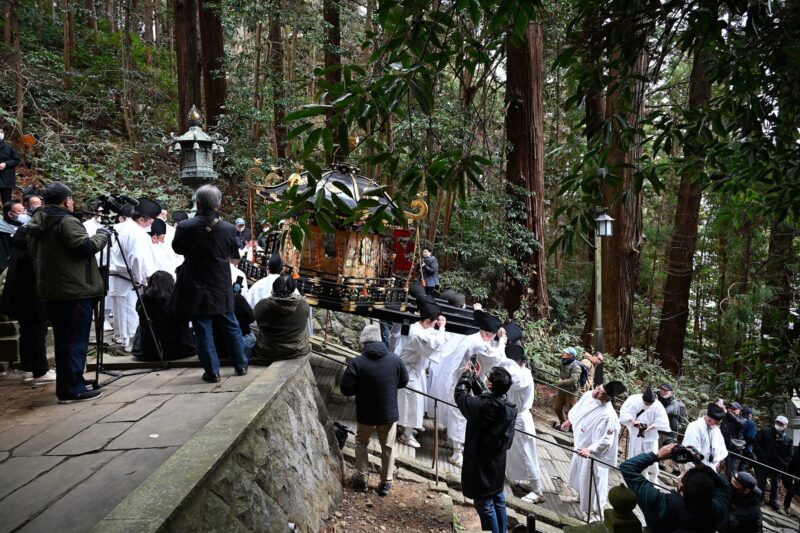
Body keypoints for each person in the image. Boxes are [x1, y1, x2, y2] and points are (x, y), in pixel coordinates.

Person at [27, 182, 109, 402]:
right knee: (74, 342)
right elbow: (85, 248)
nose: (72, 202)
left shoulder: (37, 222)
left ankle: (71, 383)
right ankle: (72, 389)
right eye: (71, 199)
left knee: (66, 341)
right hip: (74, 290)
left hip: (52, 289)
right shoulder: (66, 221)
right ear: (66, 201)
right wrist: (103, 234)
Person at [172, 185, 248, 382]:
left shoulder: (185, 226)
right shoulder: (228, 228)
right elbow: (234, 252)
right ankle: (240, 365)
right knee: (231, 325)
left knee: (202, 329)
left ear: (197, 203)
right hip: (220, 283)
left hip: (195, 283)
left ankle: (212, 371)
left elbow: (177, 250)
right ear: (218, 204)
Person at [340, 324, 409, 497]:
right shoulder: (395, 360)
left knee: (361, 443)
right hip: (389, 413)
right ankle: (386, 482)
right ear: (379, 340)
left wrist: (361, 388)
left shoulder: (357, 363)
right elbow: (404, 381)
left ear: (364, 343)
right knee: (388, 447)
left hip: (366, 413)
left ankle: (362, 478)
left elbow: (346, 389)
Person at [455, 363, 517, 533]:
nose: (486, 378)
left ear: (490, 384)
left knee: (485, 505)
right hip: (496, 461)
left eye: (488, 377)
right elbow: (486, 397)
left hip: (480, 461)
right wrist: (475, 378)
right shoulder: (508, 406)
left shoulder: (484, 406)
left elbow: (460, 396)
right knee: (498, 498)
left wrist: (466, 375)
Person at [440, 305, 506, 467]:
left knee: (459, 416)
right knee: (460, 417)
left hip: (462, 381)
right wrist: (503, 342)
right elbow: (497, 358)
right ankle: (457, 454)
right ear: (488, 334)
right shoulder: (479, 344)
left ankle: (455, 445)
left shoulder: (475, 338)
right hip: (465, 385)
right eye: (492, 336)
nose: (492, 339)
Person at [620, 442, 730, 532]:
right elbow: (724, 487)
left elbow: (627, 467)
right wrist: (700, 464)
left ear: (681, 489)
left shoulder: (660, 503)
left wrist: (657, 455)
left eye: (682, 476)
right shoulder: (718, 511)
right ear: (711, 493)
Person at [561, 381, 626, 521]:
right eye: (598, 389)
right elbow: (579, 410)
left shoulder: (608, 416)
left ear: (607, 399)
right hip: (580, 444)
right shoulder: (588, 395)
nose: (596, 393)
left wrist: (590, 450)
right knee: (579, 474)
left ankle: (593, 511)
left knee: (592, 480)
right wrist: (570, 421)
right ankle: (580, 496)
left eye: (601, 393)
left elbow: (606, 441)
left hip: (593, 452)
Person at [0, 220, 54, 385]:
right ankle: (40, 371)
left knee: (27, 331)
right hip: (33, 295)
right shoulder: (34, 248)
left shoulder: (20, 243)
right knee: (37, 332)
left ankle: (28, 368)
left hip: (18, 296)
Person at [396, 298, 447, 449]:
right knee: (413, 403)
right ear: (426, 321)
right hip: (408, 371)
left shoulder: (420, 327)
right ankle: (406, 434)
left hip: (414, 370)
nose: (434, 326)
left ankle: (406, 428)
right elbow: (434, 345)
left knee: (414, 402)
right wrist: (442, 328)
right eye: (433, 323)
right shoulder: (417, 334)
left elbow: (431, 336)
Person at [109, 198, 159, 351]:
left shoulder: (120, 227)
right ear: (142, 219)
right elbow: (137, 259)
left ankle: (124, 340)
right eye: (150, 220)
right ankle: (130, 344)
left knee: (122, 311)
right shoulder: (137, 234)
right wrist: (143, 279)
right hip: (129, 278)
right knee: (130, 312)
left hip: (120, 277)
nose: (152, 223)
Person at [500, 344, 544, 504]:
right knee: (513, 452)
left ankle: (538, 490)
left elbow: (509, 377)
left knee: (526, 454)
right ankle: (514, 477)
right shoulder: (518, 371)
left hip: (521, 419)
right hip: (512, 416)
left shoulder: (522, 374)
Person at [131, 271, 195, 361]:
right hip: (181, 350)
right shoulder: (178, 299)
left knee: (144, 323)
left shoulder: (144, 299)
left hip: (148, 352)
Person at [252, 274, 310, 364]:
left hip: (267, 352)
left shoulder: (262, 305)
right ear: (293, 290)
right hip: (296, 351)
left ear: (273, 288)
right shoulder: (303, 305)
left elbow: (255, 323)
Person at [619, 386, 671, 483]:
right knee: (636, 455)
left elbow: (661, 421)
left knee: (652, 457)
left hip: (650, 436)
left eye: (649, 403)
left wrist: (649, 427)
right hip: (636, 435)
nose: (647, 404)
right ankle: (636, 477)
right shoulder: (634, 399)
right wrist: (634, 422)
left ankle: (653, 478)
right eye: (646, 403)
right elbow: (626, 413)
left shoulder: (657, 405)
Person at [753, 414, 793, 510]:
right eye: (778, 422)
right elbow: (756, 442)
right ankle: (760, 498)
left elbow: (789, 455)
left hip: (777, 466)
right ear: (775, 422)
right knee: (761, 482)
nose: (779, 425)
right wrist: (761, 455)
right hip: (763, 462)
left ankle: (773, 500)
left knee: (775, 484)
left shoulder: (788, 439)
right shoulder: (765, 431)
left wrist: (783, 463)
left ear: (786, 426)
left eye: (781, 424)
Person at [682, 403, 728, 471]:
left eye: (719, 423)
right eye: (716, 423)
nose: (718, 425)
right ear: (709, 420)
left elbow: (722, 449)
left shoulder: (716, 429)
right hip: (697, 469)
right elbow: (691, 452)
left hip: (712, 468)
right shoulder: (695, 427)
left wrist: (718, 461)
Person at [553, 347, 582, 427]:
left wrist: (561, 382)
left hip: (571, 391)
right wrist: (560, 380)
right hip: (562, 389)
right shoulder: (563, 362)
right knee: (557, 408)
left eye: (566, 353)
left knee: (572, 411)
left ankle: (572, 428)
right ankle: (563, 424)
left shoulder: (576, 367)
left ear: (571, 355)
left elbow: (573, 380)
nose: (563, 354)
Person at [720, 401, 746, 477]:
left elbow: (739, 423)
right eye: (730, 408)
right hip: (723, 445)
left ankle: (731, 485)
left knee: (730, 470)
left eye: (734, 409)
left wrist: (728, 412)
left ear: (739, 410)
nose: (731, 410)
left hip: (734, 448)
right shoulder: (725, 417)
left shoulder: (741, 419)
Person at [1, 200, 25, 271]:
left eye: (24, 210)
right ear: (10, 214)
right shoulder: (2, 229)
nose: (24, 213)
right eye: (20, 211)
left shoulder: (23, 224)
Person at [0, 129, 20, 204]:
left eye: (1, 132)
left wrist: (6, 164)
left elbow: (16, 160)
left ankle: (7, 215)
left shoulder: (9, 148)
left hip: (6, 179)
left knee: (7, 202)